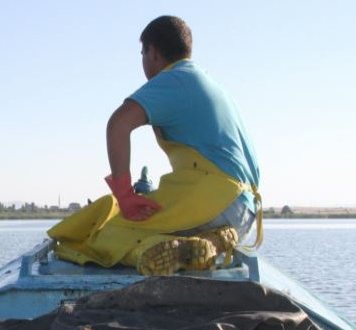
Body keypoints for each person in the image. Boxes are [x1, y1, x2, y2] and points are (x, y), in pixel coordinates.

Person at [48, 16, 261, 275]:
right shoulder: (208, 83)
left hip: (218, 203)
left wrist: (125, 196)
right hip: (245, 213)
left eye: (143, 53)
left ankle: (159, 248)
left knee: (102, 232)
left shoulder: (174, 79)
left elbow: (117, 125)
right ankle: (214, 242)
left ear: (153, 52)